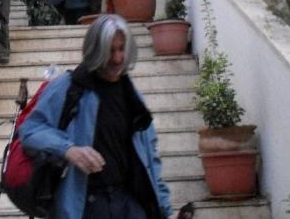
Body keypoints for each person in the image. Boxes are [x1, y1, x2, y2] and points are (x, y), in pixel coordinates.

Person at [19, 15, 175, 219]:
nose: (118, 58)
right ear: (95, 50)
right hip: (85, 204)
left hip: (129, 203)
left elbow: (150, 157)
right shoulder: (68, 87)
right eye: (110, 50)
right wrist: (68, 149)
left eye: (122, 49)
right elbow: (30, 131)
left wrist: (165, 209)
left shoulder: (131, 94)